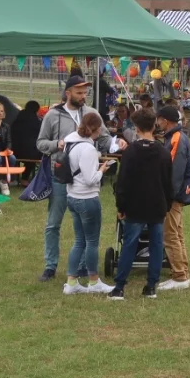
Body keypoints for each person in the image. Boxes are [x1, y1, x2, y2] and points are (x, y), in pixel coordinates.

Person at [36, 75, 120, 282]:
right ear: (68, 93)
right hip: (60, 176)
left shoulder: (91, 113)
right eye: (79, 93)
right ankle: (50, 266)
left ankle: (82, 266)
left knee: (82, 226)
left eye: (85, 93)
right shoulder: (53, 115)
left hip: (84, 180)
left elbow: (104, 137)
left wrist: (116, 144)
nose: (83, 97)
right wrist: (58, 144)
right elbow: (40, 143)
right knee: (53, 224)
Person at [110, 107, 173, 301]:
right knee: (156, 246)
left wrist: (121, 206)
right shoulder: (163, 153)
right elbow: (168, 183)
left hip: (135, 206)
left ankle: (120, 286)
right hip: (157, 205)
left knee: (129, 244)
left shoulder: (130, 153)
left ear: (136, 127)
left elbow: (123, 183)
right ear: (153, 126)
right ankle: (151, 286)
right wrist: (167, 205)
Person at [60, 111, 114, 296]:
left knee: (79, 241)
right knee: (92, 241)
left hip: (72, 196)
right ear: (97, 129)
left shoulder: (70, 143)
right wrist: (102, 169)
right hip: (87, 197)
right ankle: (93, 281)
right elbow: (91, 179)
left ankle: (72, 281)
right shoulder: (89, 149)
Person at [156, 106, 190, 292]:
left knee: (170, 236)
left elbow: (175, 172)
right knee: (177, 234)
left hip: (173, 196)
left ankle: (180, 276)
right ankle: (181, 271)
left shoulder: (177, 139)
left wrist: (167, 196)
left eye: (159, 119)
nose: (157, 123)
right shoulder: (173, 137)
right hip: (176, 194)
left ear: (165, 120)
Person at [11, 101, 43, 184]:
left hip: (14, 150)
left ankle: (13, 177)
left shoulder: (17, 119)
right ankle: (25, 178)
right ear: (37, 110)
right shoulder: (37, 122)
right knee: (36, 154)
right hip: (30, 153)